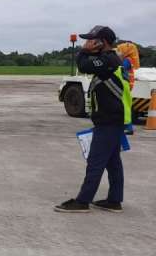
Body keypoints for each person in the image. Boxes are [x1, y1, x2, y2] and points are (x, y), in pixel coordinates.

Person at [55, 25, 130, 213]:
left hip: (108, 121)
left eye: (90, 40)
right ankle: (114, 200)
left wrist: (83, 51)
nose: (87, 43)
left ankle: (82, 201)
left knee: (95, 162)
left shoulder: (109, 60)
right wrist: (89, 50)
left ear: (102, 42)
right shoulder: (110, 59)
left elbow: (84, 65)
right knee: (113, 163)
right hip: (113, 120)